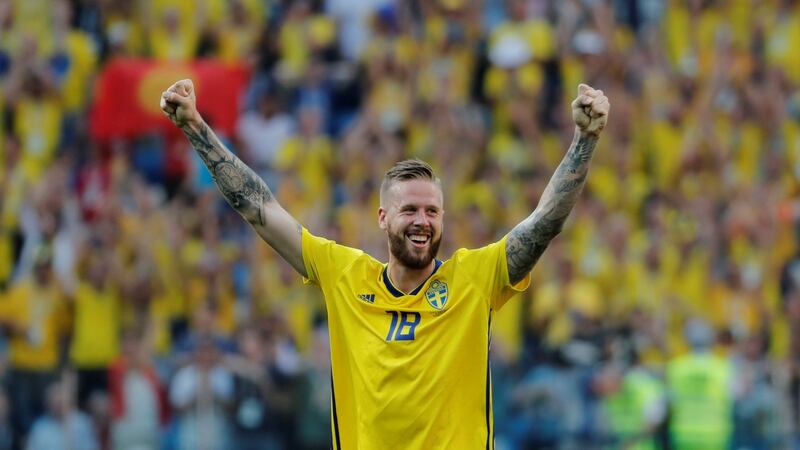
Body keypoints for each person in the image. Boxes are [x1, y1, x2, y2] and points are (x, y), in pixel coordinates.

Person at [160, 78, 609, 449]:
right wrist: (197, 126)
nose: (422, 221)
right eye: (410, 210)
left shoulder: (473, 277)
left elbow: (544, 223)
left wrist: (584, 141)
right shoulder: (345, 275)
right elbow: (259, 208)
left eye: (432, 212)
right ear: (383, 217)